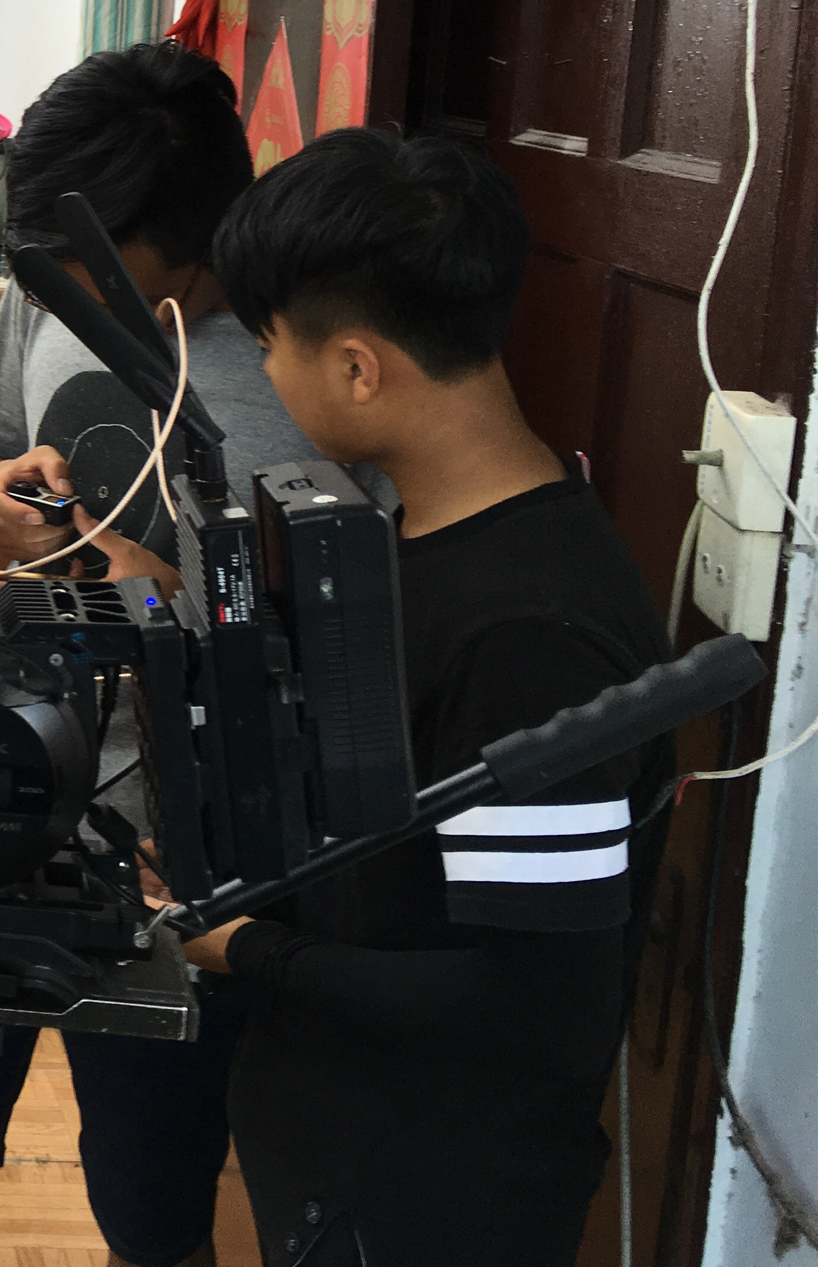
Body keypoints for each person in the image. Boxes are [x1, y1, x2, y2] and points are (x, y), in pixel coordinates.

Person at [187, 129, 671, 1266]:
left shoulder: (529, 636)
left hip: (424, 1202)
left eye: (269, 346)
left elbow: (536, 1008)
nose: (265, 376)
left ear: (359, 367)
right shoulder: (423, 532)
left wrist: (246, 950)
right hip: (342, 1154)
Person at [0, 40, 361, 1267]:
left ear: (195, 240)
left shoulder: (318, 354)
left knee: (152, 1197)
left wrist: (160, 595)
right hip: (12, 783)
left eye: (95, 273)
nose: (64, 289)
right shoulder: (53, 271)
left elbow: (353, 644)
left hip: (192, 852)